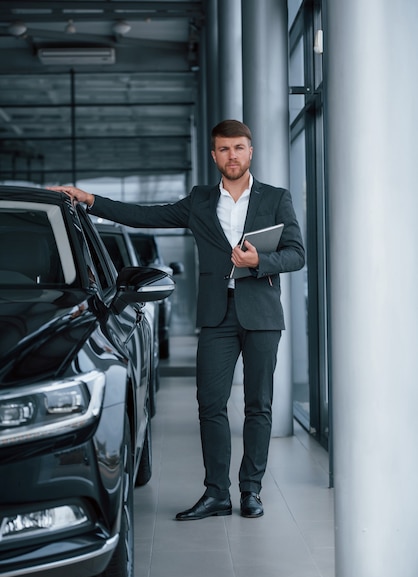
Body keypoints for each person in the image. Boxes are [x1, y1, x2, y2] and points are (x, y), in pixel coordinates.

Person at [49, 119, 305, 520]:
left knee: (259, 405)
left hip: (262, 314)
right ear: (214, 154)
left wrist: (260, 262)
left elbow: (296, 254)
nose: (232, 155)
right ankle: (217, 493)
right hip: (217, 316)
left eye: (239, 148)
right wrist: (89, 199)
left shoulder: (276, 198)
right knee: (210, 404)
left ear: (250, 151)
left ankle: (251, 491)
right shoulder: (200, 201)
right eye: (224, 149)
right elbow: (142, 215)